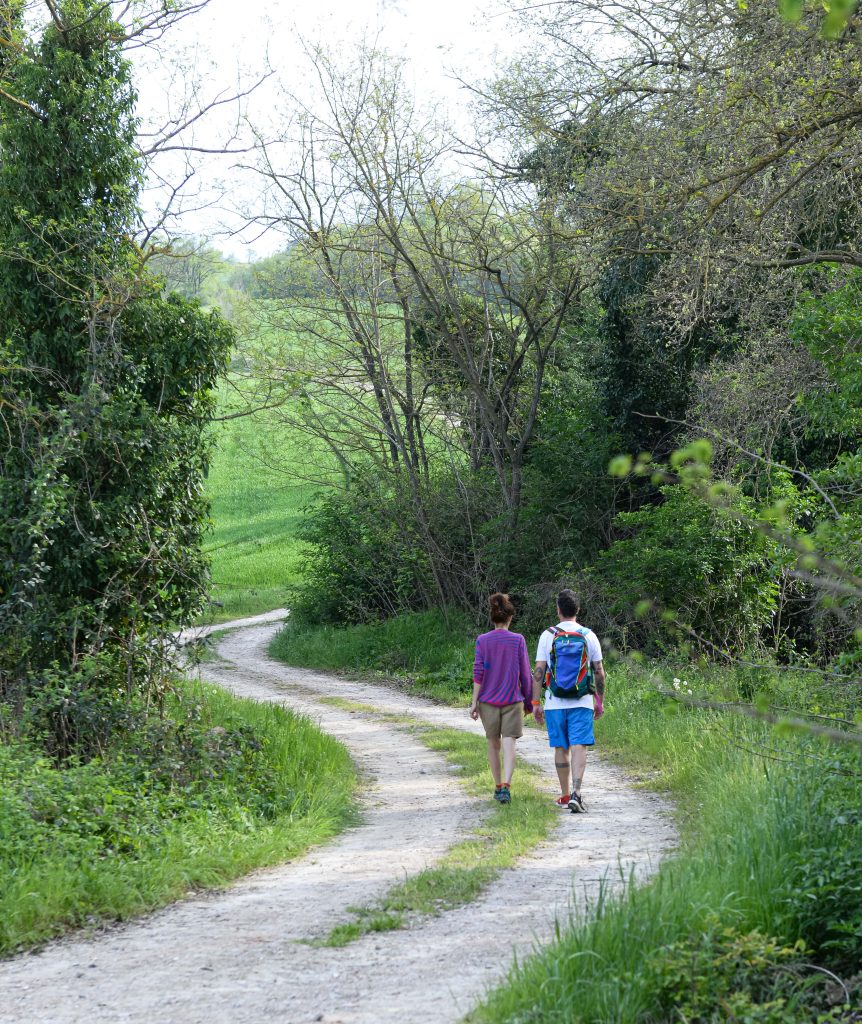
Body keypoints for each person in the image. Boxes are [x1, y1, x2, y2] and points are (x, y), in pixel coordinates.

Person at [533, 588, 605, 813]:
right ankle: (577, 792)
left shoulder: (548, 635)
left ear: (558, 610)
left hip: (554, 702)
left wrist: (536, 703)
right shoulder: (588, 635)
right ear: (578, 610)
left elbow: (538, 671)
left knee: (561, 747)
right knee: (579, 745)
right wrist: (599, 700)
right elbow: (599, 672)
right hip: (582, 700)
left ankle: (565, 795)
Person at [470, 592, 539, 804]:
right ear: (510, 618)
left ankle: (497, 785)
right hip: (512, 701)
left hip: (487, 702)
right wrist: (529, 702)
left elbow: (478, 672)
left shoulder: (483, 640)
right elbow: (525, 674)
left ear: (493, 618)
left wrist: (474, 702)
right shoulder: (518, 640)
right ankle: (506, 787)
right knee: (510, 744)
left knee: (493, 744)